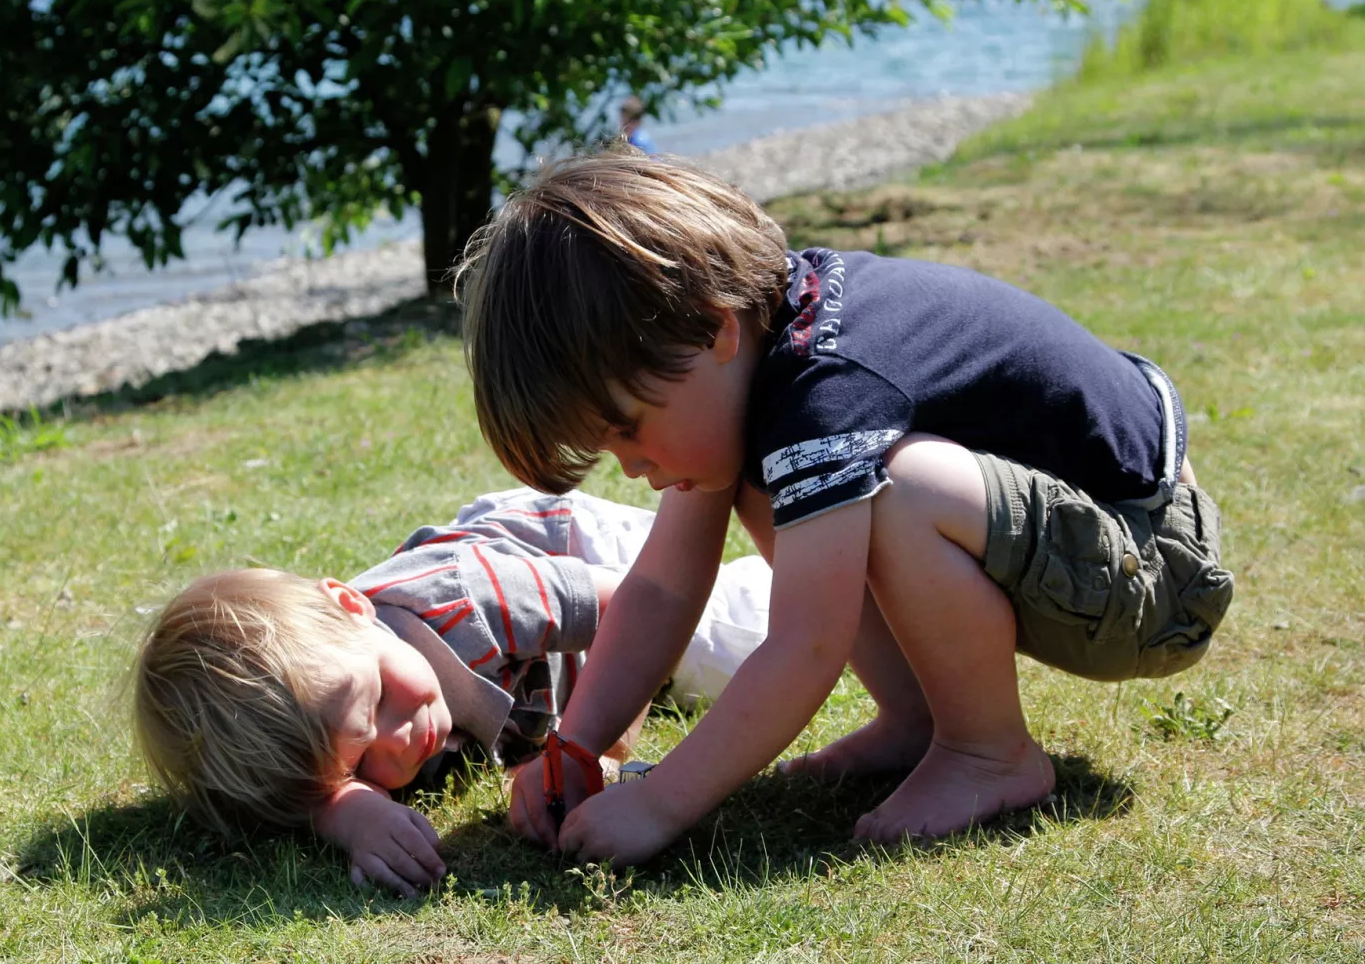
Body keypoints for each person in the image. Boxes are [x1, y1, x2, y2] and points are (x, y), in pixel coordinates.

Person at [456, 150, 1234, 867]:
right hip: (1084, 547)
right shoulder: (759, 355)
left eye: (629, 429)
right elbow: (662, 588)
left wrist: (660, 804)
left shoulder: (827, 392)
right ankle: (917, 723)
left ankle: (989, 752)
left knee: (893, 489)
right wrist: (578, 746)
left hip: (1155, 570)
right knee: (786, 483)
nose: (633, 468)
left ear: (712, 331)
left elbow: (805, 646)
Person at [132, 488, 769, 896]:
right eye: (356, 766)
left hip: (584, 557)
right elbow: (279, 798)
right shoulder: (323, 705)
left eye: (378, 700)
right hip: (554, 632)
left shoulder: (466, 600)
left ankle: (832, 542)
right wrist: (342, 808)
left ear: (355, 606)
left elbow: (633, 612)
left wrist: (584, 750)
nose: (398, 747)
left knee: (743, 642)